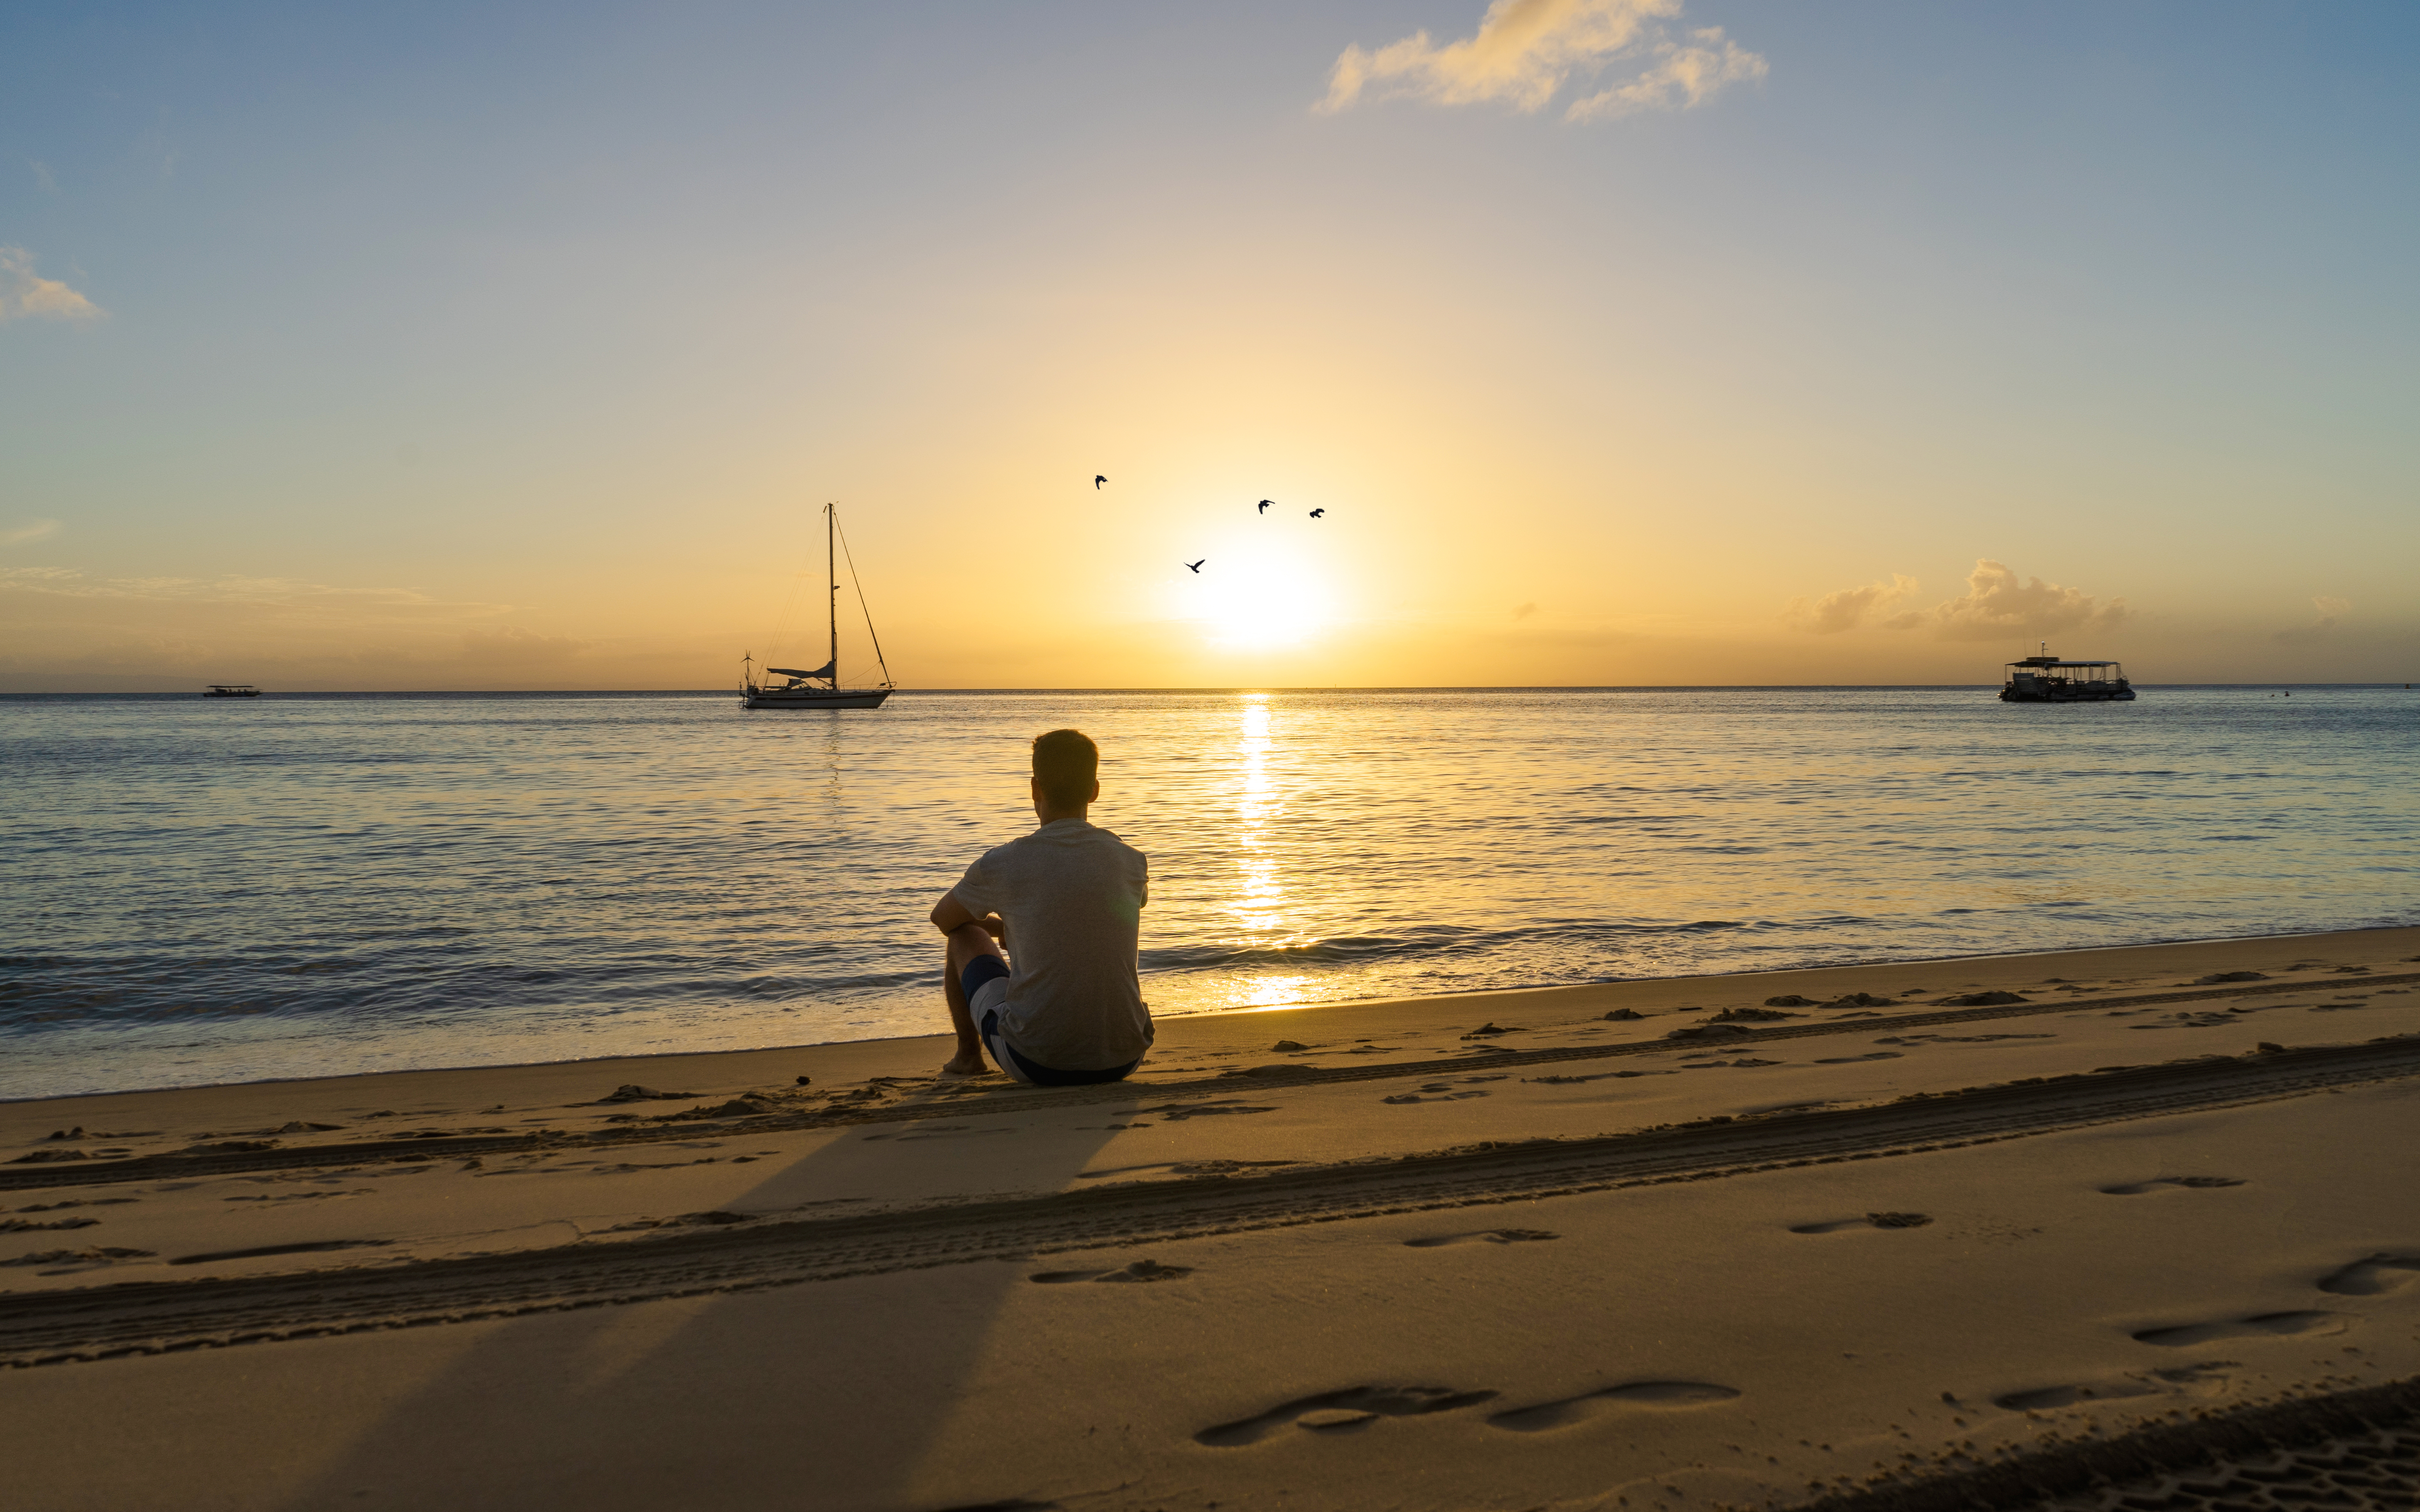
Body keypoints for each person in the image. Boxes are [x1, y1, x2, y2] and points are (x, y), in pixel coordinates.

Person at [930, 728, 1152, 1084]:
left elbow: (943, 919)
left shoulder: (1004, 862)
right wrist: (1012, 927)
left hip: (1036, 1061)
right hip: (1124, 1058)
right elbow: (1088, 915)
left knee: (962, 933)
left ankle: (968, 1058)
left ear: (1035, 788)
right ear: (1094, 791)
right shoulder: (1130, 860)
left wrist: (997, 926)